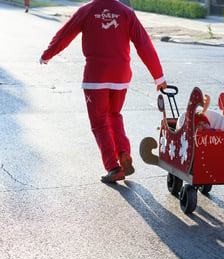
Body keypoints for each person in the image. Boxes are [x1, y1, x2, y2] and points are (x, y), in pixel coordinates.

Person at [40, 0, 167, 183]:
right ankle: (123, 152)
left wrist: (47, 55)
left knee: (99, 123)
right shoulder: (126, 12)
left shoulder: (86, 10)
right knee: (114, 114)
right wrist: (159, 77)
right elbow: (143, 43)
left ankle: (113, 167)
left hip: (96, 77)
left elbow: (65, 35)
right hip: (121, 76)